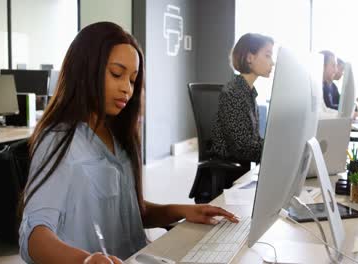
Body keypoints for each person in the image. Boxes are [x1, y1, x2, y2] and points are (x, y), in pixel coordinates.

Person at [18, 22, 238, 264]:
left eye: (133, 80)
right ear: (85, 70)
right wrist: (85, 261)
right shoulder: (58, 139)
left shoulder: (117, 135)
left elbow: (128, 211)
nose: (127, 89)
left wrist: (183, 211)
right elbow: (34, 237)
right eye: (116, 74)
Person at [209, 33, 274, 184]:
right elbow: (242, 147)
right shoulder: (233, 93)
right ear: (250, 58)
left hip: (240, 169)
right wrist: (274, 147)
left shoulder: (248, 92)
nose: (272, 62)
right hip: (228, 174)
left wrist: (273, 145)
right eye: (268, 55)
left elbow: (253, 140)